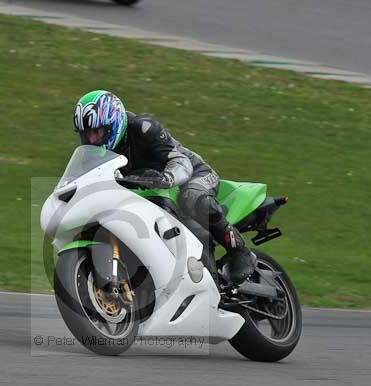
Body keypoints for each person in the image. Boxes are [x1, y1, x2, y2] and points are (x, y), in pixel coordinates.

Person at [73, 89, 257, 285]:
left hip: (193, 174)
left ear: (113, 124)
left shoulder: (143, 128)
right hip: (153, 191)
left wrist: (166, 177)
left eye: (96, 132)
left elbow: (181, 161)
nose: (92, 140)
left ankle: (240, 252)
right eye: (86, 135)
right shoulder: (92, 156)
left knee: (192, 197)